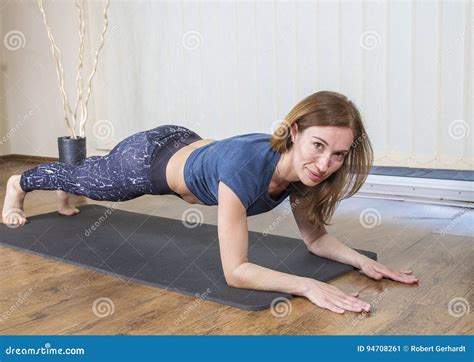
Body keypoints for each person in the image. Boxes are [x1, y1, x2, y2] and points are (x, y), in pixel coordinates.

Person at [2, 90, 418, 314]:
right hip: (146, 162)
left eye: (339, 154)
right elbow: (236, 272)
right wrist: (306, 286)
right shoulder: (246, 170)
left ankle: (75, 181)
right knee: (96, 181)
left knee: (88, 177)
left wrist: (362, 261)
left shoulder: (304, 173)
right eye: (318, 145)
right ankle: (19, 184)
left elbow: (315, 239)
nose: (326, 163)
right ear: (293, 132)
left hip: (183, 142)